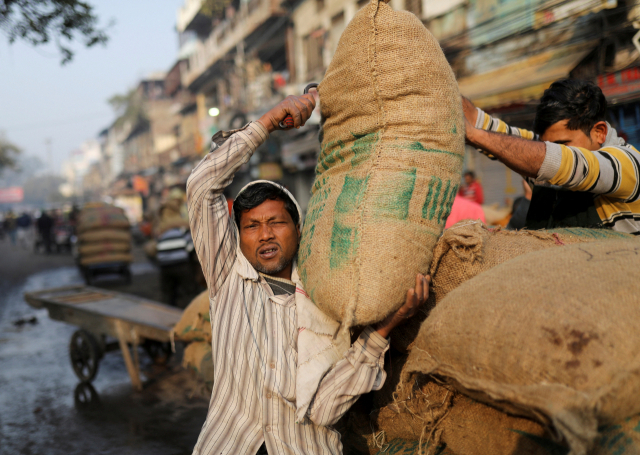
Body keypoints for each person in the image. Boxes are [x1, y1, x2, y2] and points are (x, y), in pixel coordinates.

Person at [186, 94, 429, 455]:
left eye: (276, 223)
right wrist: (267, 122)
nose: (265, 234)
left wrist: (385, 328)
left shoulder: (326, 294)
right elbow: (202, 185)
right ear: (239, 237)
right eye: (252, 226)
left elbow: (326, 408)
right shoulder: (227, 275)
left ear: (298, 229)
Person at [463, 78, 640, 234]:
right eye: (546, 145)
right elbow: (482, 124)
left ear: (599, 133)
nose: (552, 151)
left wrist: (475, 136)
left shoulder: (627, 164)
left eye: (562, 145)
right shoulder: (544, 163)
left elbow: (559, 161)